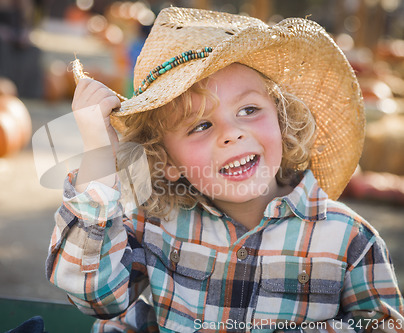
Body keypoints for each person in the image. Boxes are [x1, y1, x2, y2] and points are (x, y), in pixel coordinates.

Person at [46, 7, 404, 332]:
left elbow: (383, 326)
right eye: (200, 126)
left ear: (282, 121)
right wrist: (97, 155)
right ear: (166, 163)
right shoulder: (156, 226)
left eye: (248, 110)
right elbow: (94, 295)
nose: (232, 133)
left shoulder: (349, 241)